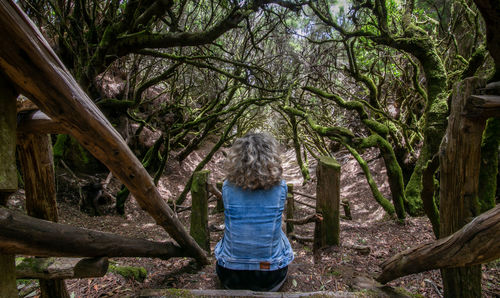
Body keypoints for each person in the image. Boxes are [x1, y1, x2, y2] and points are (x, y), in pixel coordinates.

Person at [214, 133, 294, 292]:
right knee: (279, 233)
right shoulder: (280, 188)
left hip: (230, 274)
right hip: (271, 276)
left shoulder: (227, 187)